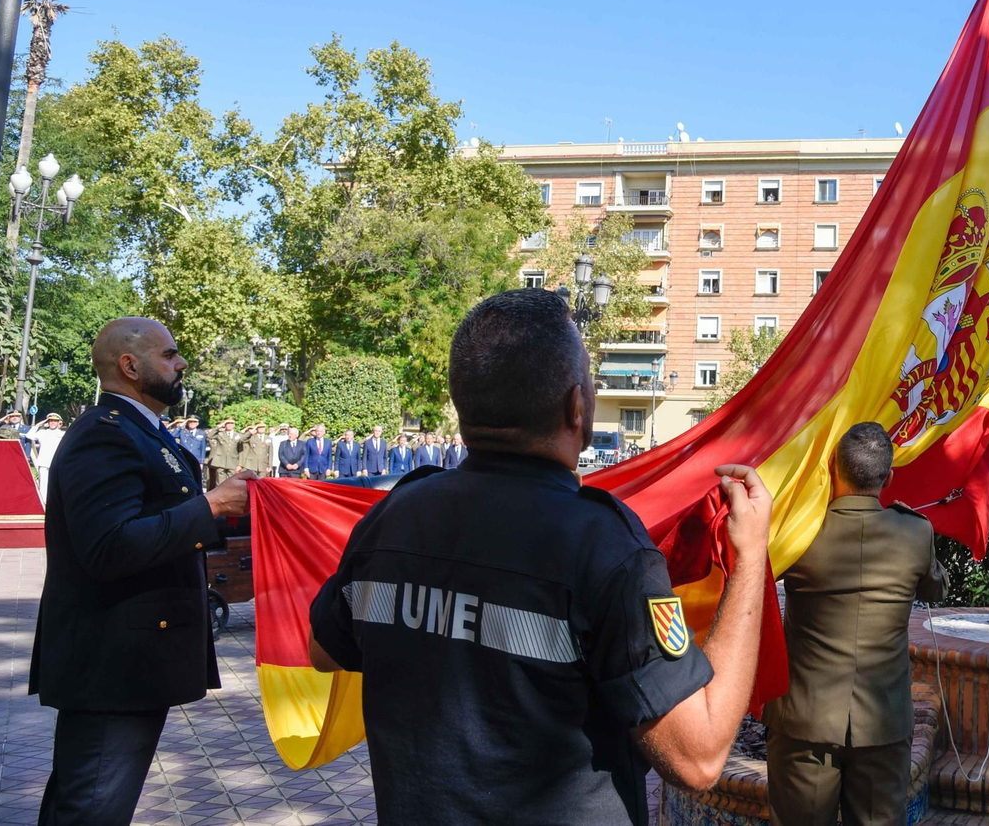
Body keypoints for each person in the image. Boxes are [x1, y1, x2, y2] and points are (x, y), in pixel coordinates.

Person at [305, 288, 771, 824]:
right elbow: (700, 757)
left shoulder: (393, 517)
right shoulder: (605, 548)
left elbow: (323, 650)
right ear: (577, 406)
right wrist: (749, 558)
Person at [29, 317, 255, 825]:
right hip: (113, 663)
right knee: (91, 809)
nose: (181, 363)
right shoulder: (104, 435)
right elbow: (108, 546)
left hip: (130, 660)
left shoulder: (139, 431)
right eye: (169, 355)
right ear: (129, 366)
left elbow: (161, 515)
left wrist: (234, 506)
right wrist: (212, 506)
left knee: (84, 802)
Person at [763, 423, 944, 826]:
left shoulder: (801, 531)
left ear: (832, 467)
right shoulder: (915, 533)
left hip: (804, 719)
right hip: (883, 725)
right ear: (888, 478)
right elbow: (936, 589)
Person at [28, 413, 67, 507]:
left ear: (59, 423)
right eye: (50, 421)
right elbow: (29, 435)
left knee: (56, 484)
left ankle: (54, 503)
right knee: (43, 484)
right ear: (47, 422)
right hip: (44, 462)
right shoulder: (42, 432)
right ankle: (43, 504)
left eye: (55, 421)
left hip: (56, 462)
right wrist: (38, 425)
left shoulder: (62, 434)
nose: (52, 423)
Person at [207, 418, 242, 489]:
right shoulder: (220, 434)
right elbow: (210, 435)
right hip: (221, 461)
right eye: (228, 424)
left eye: (231, 423)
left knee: (231, 482)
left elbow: (241, 448)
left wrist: (240, 464)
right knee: (220, 483)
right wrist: (219, 426)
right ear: (225, 425)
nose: (230, 425)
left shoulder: (238, 435)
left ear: (234, 425)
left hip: (232, 461)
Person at [174, 416, 207, 486]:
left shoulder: (201, 433)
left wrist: (201, 462)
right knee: (185, 476)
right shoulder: (182, 432)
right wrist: (180, 426)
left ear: (197, 423)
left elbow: (203, 448)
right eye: (190, 421)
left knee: (196, 478)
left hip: (196, 459)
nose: (192, 423)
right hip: (184, 458)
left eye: (194, 422)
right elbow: (172, 435)